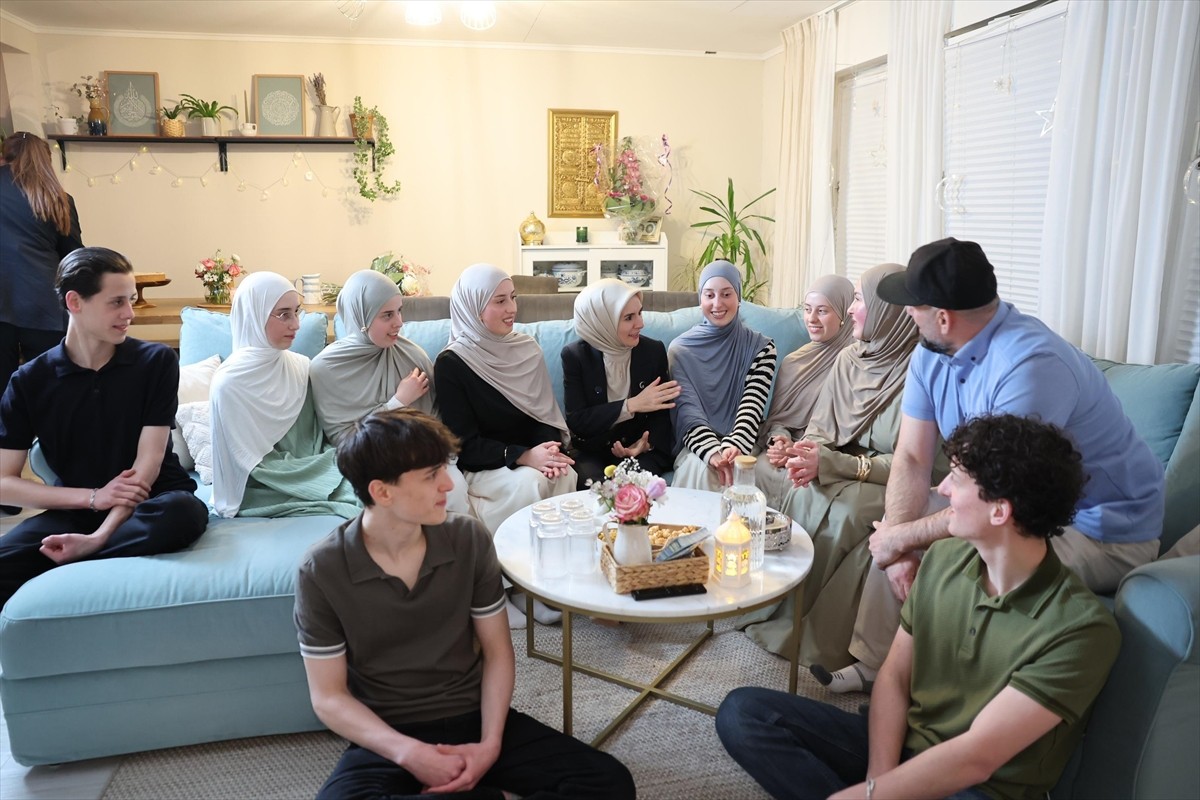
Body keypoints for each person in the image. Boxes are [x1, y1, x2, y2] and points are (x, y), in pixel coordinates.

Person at [817, 237, 1163, 693]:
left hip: (1100, 530)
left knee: (953, 555)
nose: (905, 314)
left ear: (944, 316)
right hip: (1010, 502)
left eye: (912, 306)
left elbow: (991, 497)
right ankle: (875, 669)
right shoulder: (929, 351)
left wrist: (899, 537)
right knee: (898, 522)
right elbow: (913, 455)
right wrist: (897, 544)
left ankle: (931, 702)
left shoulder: (1031, 366)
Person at [717, 414, 1121, 800]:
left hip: (979, 788)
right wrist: (879, 781)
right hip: (907, 750)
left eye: (958, 480)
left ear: (1000, 510)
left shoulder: (1081, 629)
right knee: (743, 714)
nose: (942, 490)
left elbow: (977, 758)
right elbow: (893, 677)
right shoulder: (943, 559)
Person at [294, 408, 636, 800]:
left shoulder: (467, 538)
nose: (447, 485)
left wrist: (490, 745)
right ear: (382, 492)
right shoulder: (321, 570)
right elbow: (328, 697)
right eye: (430, 475)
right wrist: (411, 753)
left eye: (444, 469)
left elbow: (497, 653)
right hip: (387, 733)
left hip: (473, 718)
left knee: (609, 784)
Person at [0, 247, 207, 608]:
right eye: (116, 303)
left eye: (129, 300)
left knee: (182, 514)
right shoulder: (29, 380)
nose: (129, 313)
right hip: (78, 507)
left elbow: (148, 465)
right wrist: (93, 498)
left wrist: (98, 538)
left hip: (153, 502)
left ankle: (78, 557)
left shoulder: (155, 362)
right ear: (75, 301)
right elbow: (4, 484)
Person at [739, 263, 925, 666]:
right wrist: (803, 452)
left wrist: (835, 463)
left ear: (887, 310)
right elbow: (821, 430)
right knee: (800, 489)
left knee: (845, 513)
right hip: (840, 464)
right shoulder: (850, 360)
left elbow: (915, 464)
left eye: (859, 300)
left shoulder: (920, 371)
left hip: (889, 480)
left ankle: (810, 628)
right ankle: (776, 605)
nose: (855, 310)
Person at [434, 264, 575, 628]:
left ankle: (547, 587)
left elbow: (542, 414)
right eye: (499, 301)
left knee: (564, 477)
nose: (512, 308)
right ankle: (511, 588)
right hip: (485, 464)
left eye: (513, 298)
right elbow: (462, 442)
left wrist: (550, 452)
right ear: (473, 307)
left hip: (529, 455)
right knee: (529, 484)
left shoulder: (526, 349)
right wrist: (524, 457)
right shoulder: (452, 363)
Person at [310, 269, 468, 512]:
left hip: (423, 457)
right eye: (387, 315)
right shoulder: (326, 368)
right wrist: (399, 402)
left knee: (452, 488)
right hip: (368, 462)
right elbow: (344, 441)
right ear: (361, 317)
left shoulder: (412, 355)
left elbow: (437, 423)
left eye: (399, 311)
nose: (399, 322)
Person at [209, 271, 359, 519]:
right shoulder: (228, 383)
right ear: (255, 316)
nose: (296, 324)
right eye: (284, 314)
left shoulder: (300, 366)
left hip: (314, 464)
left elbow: (317, 437)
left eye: (296, 312)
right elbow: (247, 464)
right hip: (266, 484)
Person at [669, 260, 777, 490]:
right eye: (709, 295)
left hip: (744, 440)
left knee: (741, 469)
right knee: (700, 469)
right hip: (697, 444)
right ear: (700, 300)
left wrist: (733, 445)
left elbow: (752, 405)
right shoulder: (680, 350)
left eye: (726, 294)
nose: (717, 304)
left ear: (739, 297)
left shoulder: (762, 348)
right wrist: (712, 452)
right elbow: (687, 412)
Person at [561, 278, 679, 488]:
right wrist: (631, 405)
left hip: (640, 452)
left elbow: (663, 413)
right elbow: (578, 420)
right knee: (595, 489)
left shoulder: (653, 351)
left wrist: (646, 444)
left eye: (640, 313)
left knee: (634, 486)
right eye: (628, 318)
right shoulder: (575, 356)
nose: (640, 323)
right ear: (602, 321)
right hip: (593, 451)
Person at [755, 274, 855, 508]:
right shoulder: (792, 362)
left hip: (828, 453)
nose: (811, 319)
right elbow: (779, 419)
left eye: (822, 311)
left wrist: (800, 450)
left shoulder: (855, 362)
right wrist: (780, 440)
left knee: (803, 482)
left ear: (843, 314)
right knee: (761, 467)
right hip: (791, 449)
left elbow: (848, 428)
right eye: (808, 309)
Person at [0, 131, 84, 391]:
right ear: (45, 161)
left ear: (4, 157)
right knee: (49, 389)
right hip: (44, 304)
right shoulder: (59, 198)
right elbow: (73, 257)